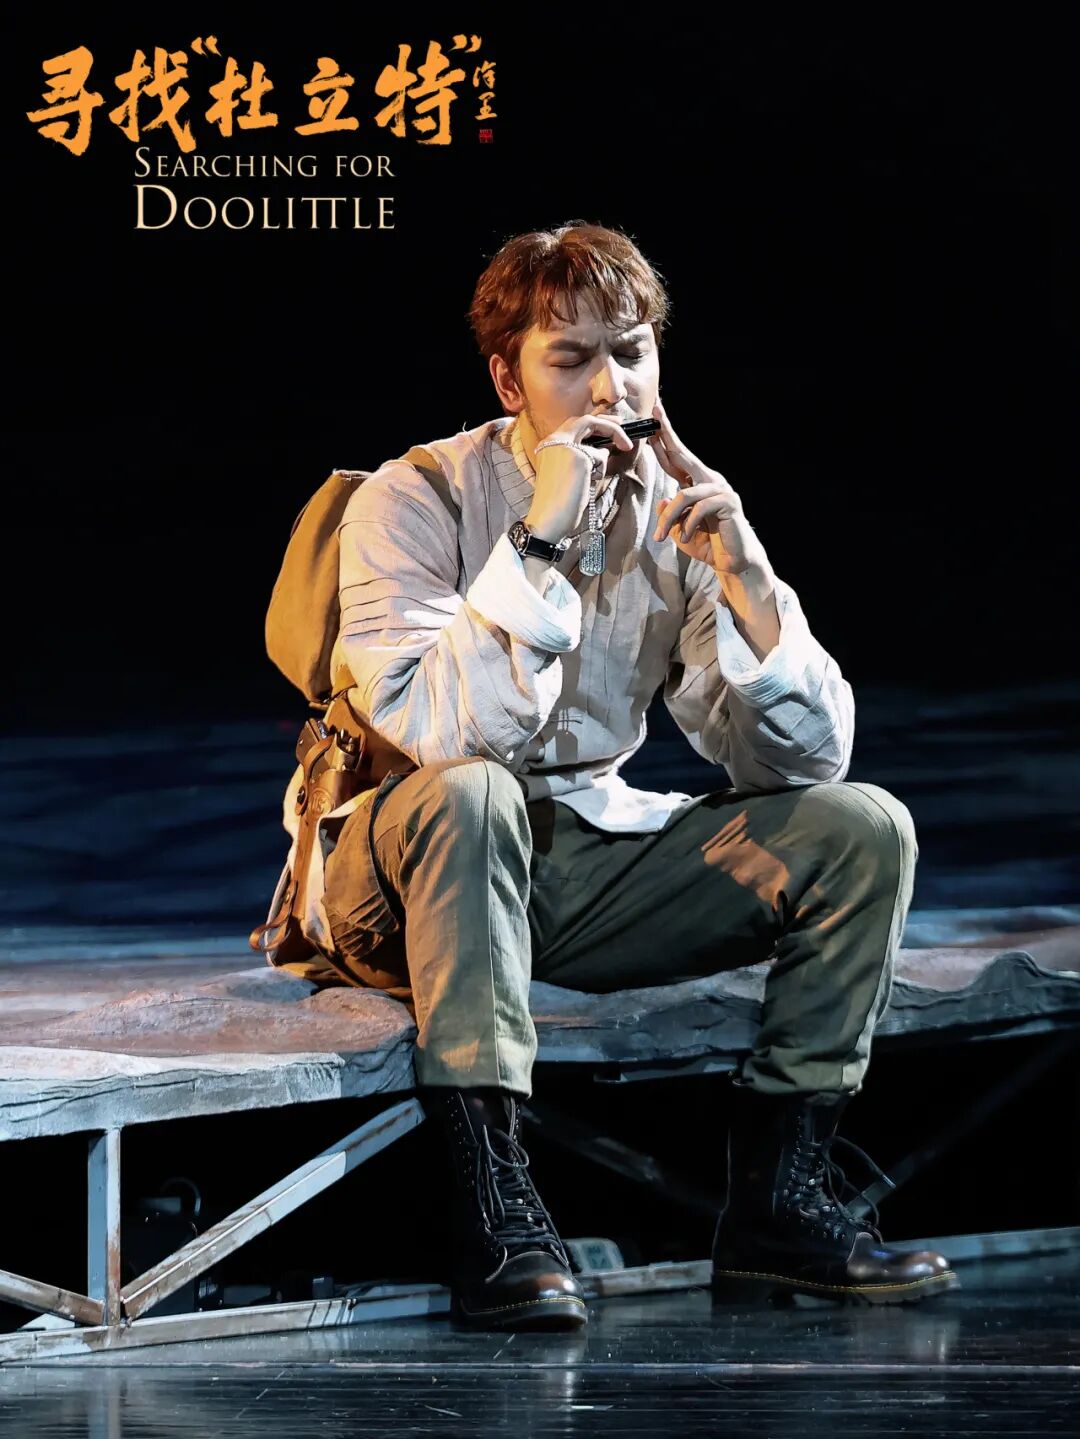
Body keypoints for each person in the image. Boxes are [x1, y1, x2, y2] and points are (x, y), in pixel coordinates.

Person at [288, 221, 955, 1330]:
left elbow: (795, 762)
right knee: (474, 794)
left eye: (633, 352)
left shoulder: (667, 507)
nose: (612, 387)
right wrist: (542, 538)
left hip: (568, 866)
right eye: (573, 358)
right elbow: (450, 737)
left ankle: (780, 1208)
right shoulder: (412, 499)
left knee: (860, 826)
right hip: (398, 876)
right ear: (509, 380)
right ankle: (498, 1215)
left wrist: (747, 582)